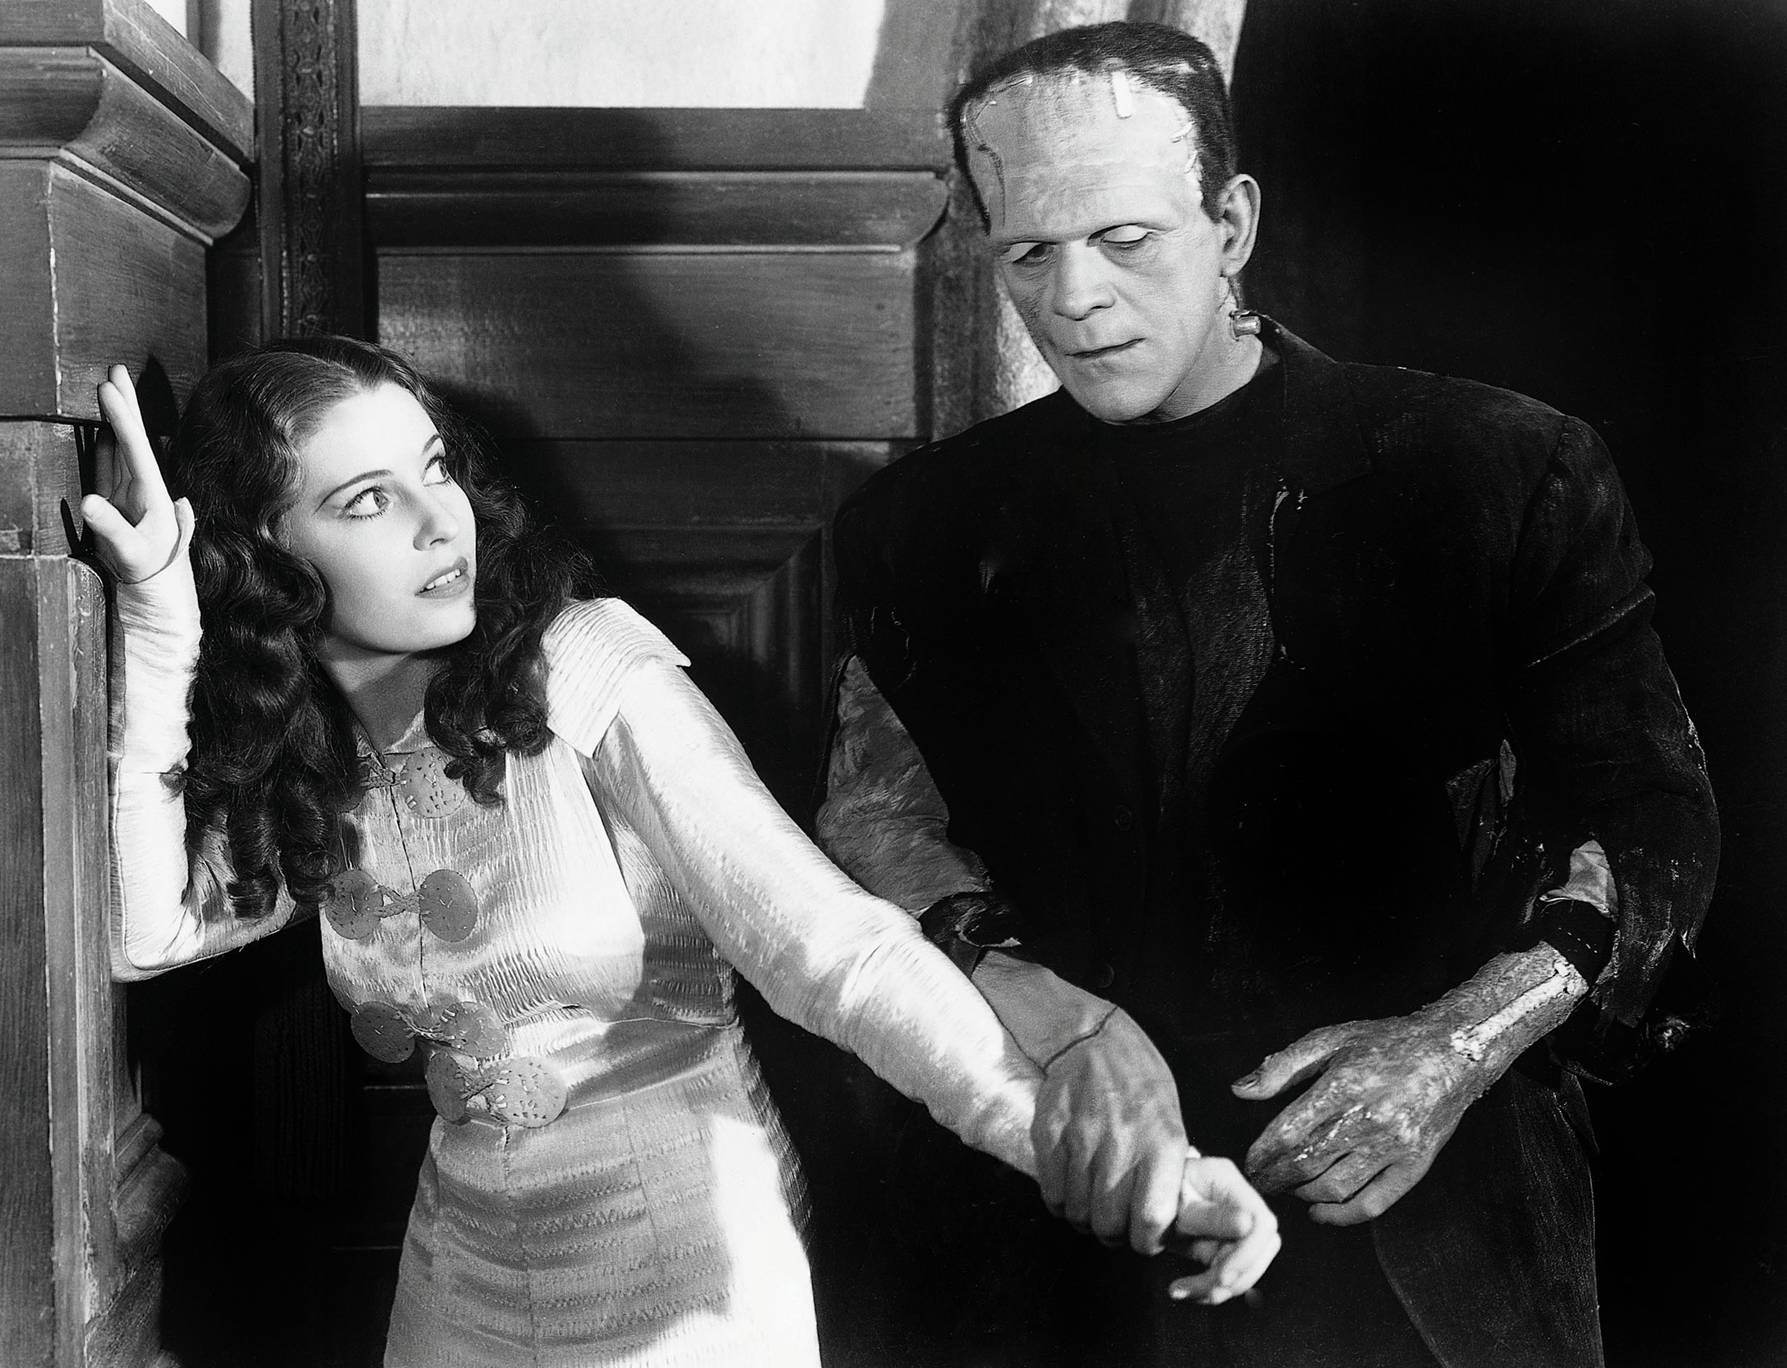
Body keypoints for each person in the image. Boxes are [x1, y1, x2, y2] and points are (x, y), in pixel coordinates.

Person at [81, 335, 1278, 1368]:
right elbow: (148, 931)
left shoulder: (583, 669)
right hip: (459, 1266)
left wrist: (1100, 1152)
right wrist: (156, 621)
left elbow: (832, 951)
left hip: (685, 1253)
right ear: (269, 556)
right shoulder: (315, 763)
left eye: (435, 468)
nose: (442, 521)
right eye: (366, 500)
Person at [818, 20, 1718, 1368]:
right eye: (1028, 254)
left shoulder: (1496, 465)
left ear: (1230, 223)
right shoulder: (921, 525)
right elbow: (870, 823)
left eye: (1125, 239)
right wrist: (1048, 1021)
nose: (1074, 300)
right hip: (1059, 1196)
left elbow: (1649, 821)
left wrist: (1452, 1048)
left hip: (1423, 1214)